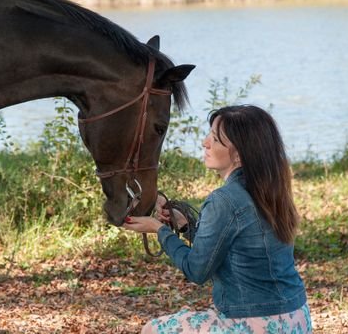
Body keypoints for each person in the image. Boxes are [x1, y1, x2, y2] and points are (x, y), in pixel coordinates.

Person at [123, 105, 312, 334]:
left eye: (215, 139)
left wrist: (159, 230)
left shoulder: (224, 200)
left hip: (251, 323)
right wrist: (184, 225)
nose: (205, 143)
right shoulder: (271, 190)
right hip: (296, 318)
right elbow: (233, 246)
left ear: (239, 154)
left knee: (153, 330)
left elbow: (196, 271)